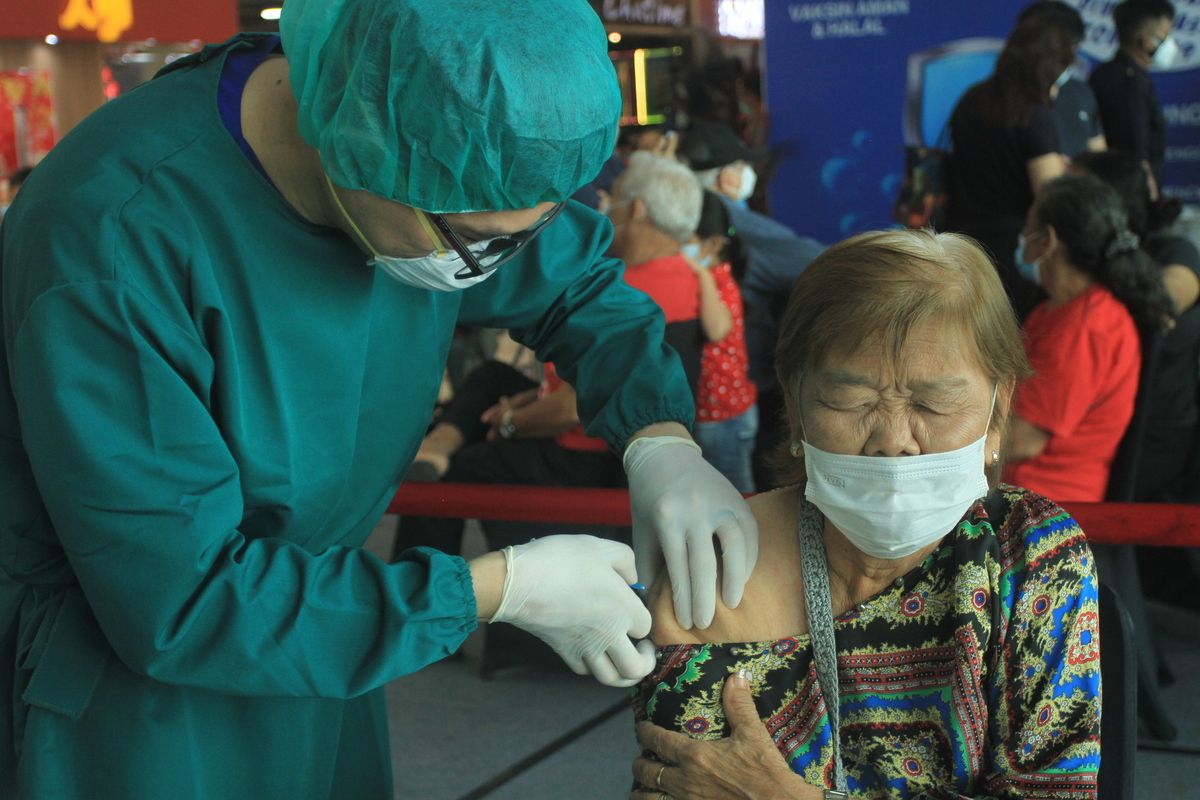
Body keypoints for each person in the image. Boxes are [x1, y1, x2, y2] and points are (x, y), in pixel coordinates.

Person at [0, 2, 760, 796]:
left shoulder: (444, 155)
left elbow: (576, 285)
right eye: (480, 241)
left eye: (525, 230)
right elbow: (181, 598)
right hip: (141, 700)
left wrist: (660, 439)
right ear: (361, 150)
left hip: (332, 645)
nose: (501, 263)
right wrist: (497, 588)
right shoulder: (114, 239)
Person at [630, 229, 1101, 798]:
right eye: (851, 401)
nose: (893, 440)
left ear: (998, 410)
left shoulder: (1034, 558)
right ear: (797, 406)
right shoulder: (715, 570)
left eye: (934, 403)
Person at [394, 151, 704, 553]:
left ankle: (438, 475)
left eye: (615, 196)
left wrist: (510, 422)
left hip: (584, 454)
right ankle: (438, 448)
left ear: (637, 209)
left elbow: (575, 401)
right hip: (585, 425)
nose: (606, 203)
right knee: (491, 377)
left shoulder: (629, 284)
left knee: (461, 473)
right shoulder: (682, 272)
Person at [1005, 174, 1175, 502]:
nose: (1022, 238)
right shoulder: (1058, 311)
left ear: (1047, 240)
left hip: (1047, 512)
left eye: (1028, 228)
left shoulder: (1087, 327)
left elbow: (1020, 440)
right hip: (1022, 495)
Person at [678, 120, 825, 489]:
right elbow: (823, 264)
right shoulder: (736, 223)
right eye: (742, 166)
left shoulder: (679, 222)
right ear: (728, 177)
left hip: (702, 396)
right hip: (740, 394)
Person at [1072, 150, 1200, 502]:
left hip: (1163, 445)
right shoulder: (1071, 272)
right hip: (1099, 440)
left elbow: (1164, 304)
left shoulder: (1174, 252)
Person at [945, 19, 1074, 321]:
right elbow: (1049, 192)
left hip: (960, 244)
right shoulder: (1034, 114)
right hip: (1013, 250)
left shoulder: (970, 99)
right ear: (1050, 67)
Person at [684, 192, 757, 493]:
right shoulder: (714, 275)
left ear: (712, 245)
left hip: (723, 419)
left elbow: (715, 330)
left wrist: (699, 274)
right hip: (717, 414)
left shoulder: (718, 281)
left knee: (736, 498)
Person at [1090, 0, 1177, 200]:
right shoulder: (1129, 81)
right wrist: (1148, 192)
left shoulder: (1109, 74)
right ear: (1146, 40)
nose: (1170, 43)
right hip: (1129, 196)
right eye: (1164, 36)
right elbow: (1135, 147)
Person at [1018, 2, 1107, 158]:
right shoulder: (1004, 100)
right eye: (1054, 46)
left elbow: (1100, 159)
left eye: (1072, 46)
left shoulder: (1081, 93)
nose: (1069, 56)